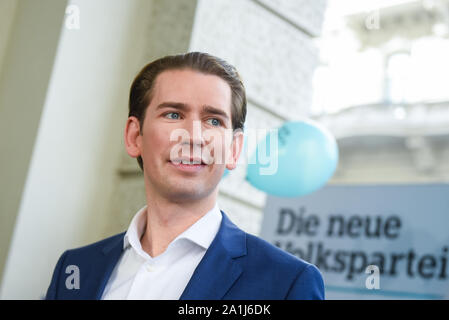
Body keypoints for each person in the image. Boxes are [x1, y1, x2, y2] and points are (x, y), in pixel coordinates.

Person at [45, 52, 325, 300]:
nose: (193, 136)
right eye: (173, 115)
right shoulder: (76, 268)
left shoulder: (286, 284)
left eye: (214, 121)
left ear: (234, 149)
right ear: (134, 136)